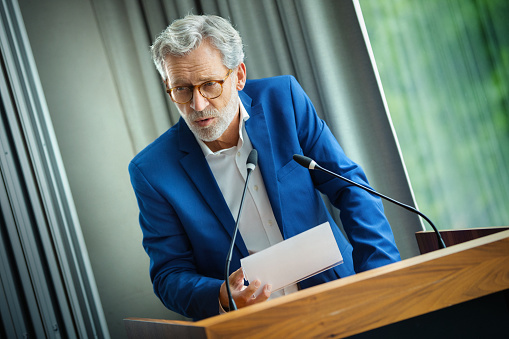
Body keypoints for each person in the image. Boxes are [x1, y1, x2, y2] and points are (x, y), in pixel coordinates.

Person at [128, 14, 401, 321]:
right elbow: (170, 274)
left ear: (239, 76)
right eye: (182, 90)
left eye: (209, 85)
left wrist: (380, 276)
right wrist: (222, 295)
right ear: (168, 87)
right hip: (254, 326)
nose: (198, 105)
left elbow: (350, 187)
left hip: (341, 297)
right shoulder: (152, 171)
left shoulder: (283, 100)